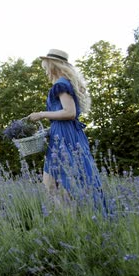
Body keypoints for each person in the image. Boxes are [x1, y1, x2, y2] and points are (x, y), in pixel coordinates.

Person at [27, 49, 106, 211]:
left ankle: (74, 219)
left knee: (56, 182)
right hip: (62, 134)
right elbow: (63, 116)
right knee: (55, 183)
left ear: (53, 66)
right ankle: (73, 218)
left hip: (65, 138)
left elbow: (69, 113)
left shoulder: (61, 84)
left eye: (46, 66)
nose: (45, 70)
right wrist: (49, 130)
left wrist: (41, 114)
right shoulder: (64, 83)